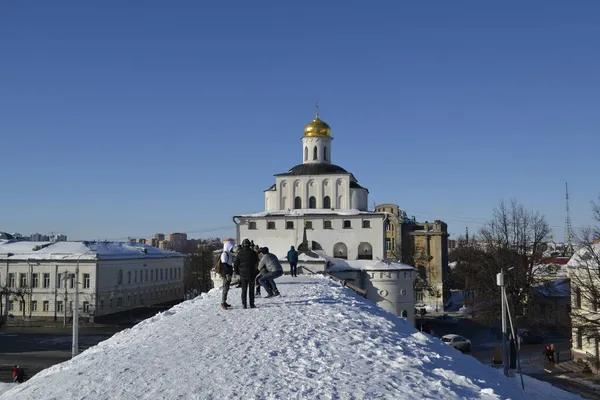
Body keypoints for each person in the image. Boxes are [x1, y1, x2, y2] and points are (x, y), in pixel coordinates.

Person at [234, 239, 260, 309]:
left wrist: (237, 272)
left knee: (244, 289)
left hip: (242, 273)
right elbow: (257, 262)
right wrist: (256, 271)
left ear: (242, 245)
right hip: (251, 273)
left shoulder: (239, 253)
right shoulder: (253, 252)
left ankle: (244, 304)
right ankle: (252, 304)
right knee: (251, 289)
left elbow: (236, 264)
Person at [220, 240, 235, 310]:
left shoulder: (229, 254)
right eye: (231, 247)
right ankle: (223, 302)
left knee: (227, 288)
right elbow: (224, 264)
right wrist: (227, 273)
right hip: (226, 273)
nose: (232, 248)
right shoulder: (224, 254)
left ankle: (224, 301)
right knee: (225, 288)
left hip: (229, 272)